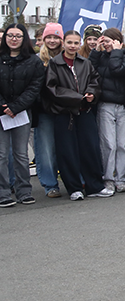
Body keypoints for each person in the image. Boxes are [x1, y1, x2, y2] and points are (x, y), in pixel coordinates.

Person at [44, 30, 113, 200]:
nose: (73, 46)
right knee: (67, 152)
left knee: (90, 149)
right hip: (64, 114)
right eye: (69, 42)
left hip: (85, 112)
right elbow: (51, 88)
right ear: (63, 43)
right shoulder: (55, 63)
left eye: (76, 43)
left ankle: (94, 186)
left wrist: (91, 93)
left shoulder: (85, 62)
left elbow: (94, 81)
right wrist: (77, 98)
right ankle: (74, 188)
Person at [0, 25, 44, 207]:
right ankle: (3, 193)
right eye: (10, 35)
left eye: (18, 36)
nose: (13, 39)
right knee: (1, 154)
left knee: (21, 154)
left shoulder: (33, 61)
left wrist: (16, 107)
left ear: (24, 38)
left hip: (22, 112)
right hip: (1, 113)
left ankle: (24, 191)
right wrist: (4, 106)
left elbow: (34, 87)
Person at [90, 27, 125, 193]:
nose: (106, 45)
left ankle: (120, 178)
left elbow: (117, 70)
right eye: (104, 41)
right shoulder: (100, 57)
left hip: (123, 105)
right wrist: (95, 52)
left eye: (109, 42)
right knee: (108, 144)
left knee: (122, 144)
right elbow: (89, 70)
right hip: (105, 104)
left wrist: (116, 52)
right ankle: (108, 178)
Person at [34, 23, 64, 197]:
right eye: (49, 37)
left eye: (56, 37)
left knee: (66, 147)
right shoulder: (37, 59)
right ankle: (50, 184)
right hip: (44, 110)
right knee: (45, 148)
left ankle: (72, 180)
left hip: (64, 109)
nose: (52, 41)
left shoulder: (68, 58)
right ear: (44, 39)